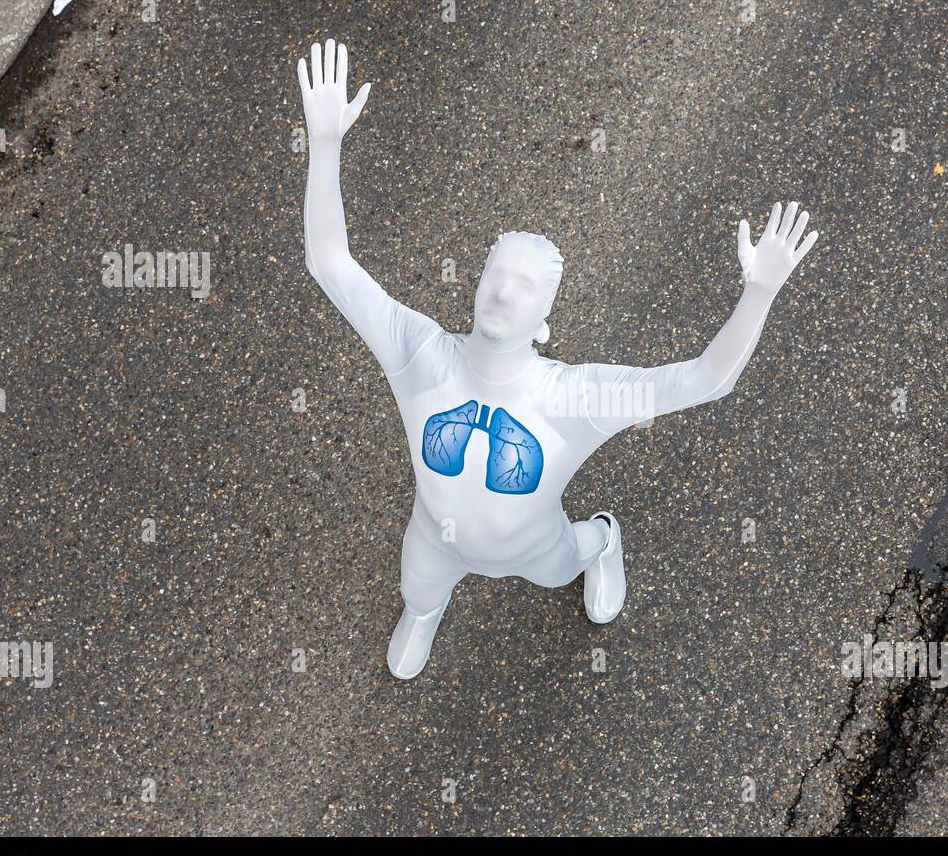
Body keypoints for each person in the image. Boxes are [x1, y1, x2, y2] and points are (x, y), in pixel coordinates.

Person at [298, 40, 818, 678]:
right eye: (495, 274)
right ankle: (427, 611)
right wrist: (325, 145)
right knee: (419, 586)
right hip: (435, 536)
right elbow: (331, 265)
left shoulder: (574, 400)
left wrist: (759, 292)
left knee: (563, 563)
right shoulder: (417, 354)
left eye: (524, 286)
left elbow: (706, 379)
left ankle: (604, 540)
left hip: (537, 545)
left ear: (546, 322)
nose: (502, 291)